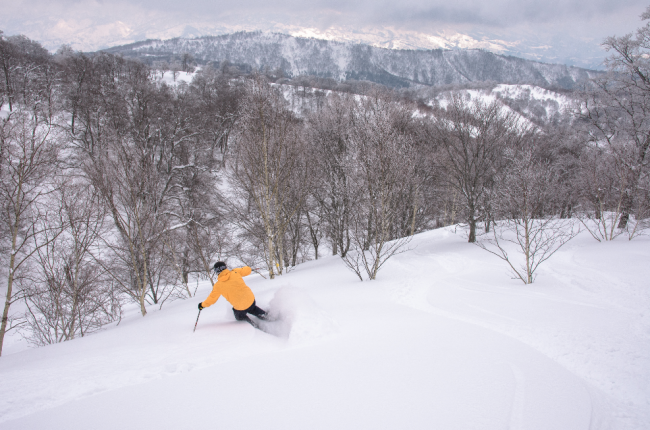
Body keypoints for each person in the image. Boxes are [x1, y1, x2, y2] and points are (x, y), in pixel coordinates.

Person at [198, 261, 268, 328]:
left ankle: (252, 326)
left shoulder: (218, 285)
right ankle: (267, 317)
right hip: (251, 300)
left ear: (216, 271)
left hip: (240, 307)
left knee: (240, 316)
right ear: (225, 267)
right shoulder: (235, 272)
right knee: (252, 308)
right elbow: (247, 270)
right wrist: (249, 268)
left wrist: (202, 305)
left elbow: (211, 299)